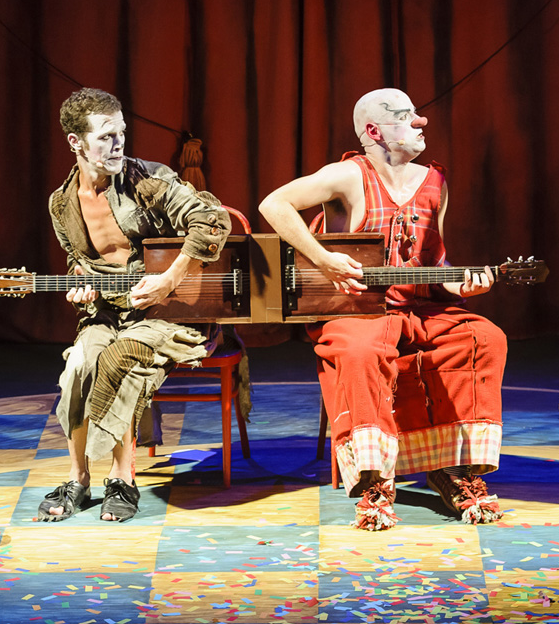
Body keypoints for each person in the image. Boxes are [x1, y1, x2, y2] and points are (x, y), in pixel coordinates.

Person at [258, 88, 507, 530]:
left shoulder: (435, 182)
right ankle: (375, 479)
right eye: (406, 116)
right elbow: (273, 204)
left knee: (484, 338)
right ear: (374, 131)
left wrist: (466, 284)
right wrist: (323, 258)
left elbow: (436, 264)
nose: (420, 123)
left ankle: (453, 466)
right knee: (360, 350)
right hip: (359, 310)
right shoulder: (348, 175)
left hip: (421, 308)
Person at [39, 87, 231, 522]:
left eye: (121, 133)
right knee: (79, 364)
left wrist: (169, 279)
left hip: (172, 311)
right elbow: (77, 262)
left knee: (120, 359)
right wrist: (79, 284)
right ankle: (78, 478)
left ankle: (122, 479)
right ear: (76, 142)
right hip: (110, 312)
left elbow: (212, 219)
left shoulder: (148, 181)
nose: (118, 144)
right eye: (106, 136)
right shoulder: (61, 204)